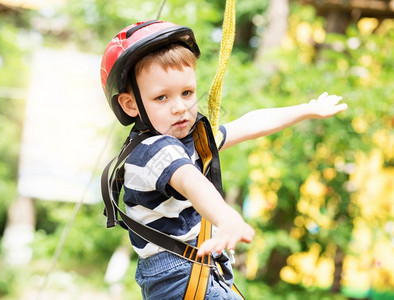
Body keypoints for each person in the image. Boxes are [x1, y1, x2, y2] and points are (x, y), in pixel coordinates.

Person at [100, 20, 347, 300]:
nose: (180, 107)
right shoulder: (154, 150)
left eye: (187, 93)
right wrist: (226, 216)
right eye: (161, 97)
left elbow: (249, 124)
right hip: (177, 277)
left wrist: (305, 109)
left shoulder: (188, 141)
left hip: (197, 268)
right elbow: (191, 181)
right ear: (131, 104)